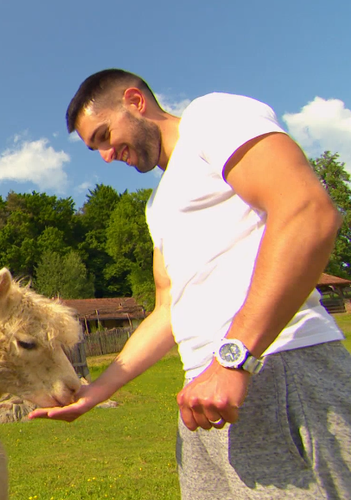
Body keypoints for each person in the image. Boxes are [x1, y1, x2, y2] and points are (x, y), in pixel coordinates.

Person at [29, 69, 351, 499]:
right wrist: (95, 392)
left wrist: (234, 360)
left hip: (279, 366)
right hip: (202, 396)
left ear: (135, 101)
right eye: (95, 148)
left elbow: (307, 210)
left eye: (105, 135)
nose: (106, 155)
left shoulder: (211, 117)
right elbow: (168, 313)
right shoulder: (157, 207)